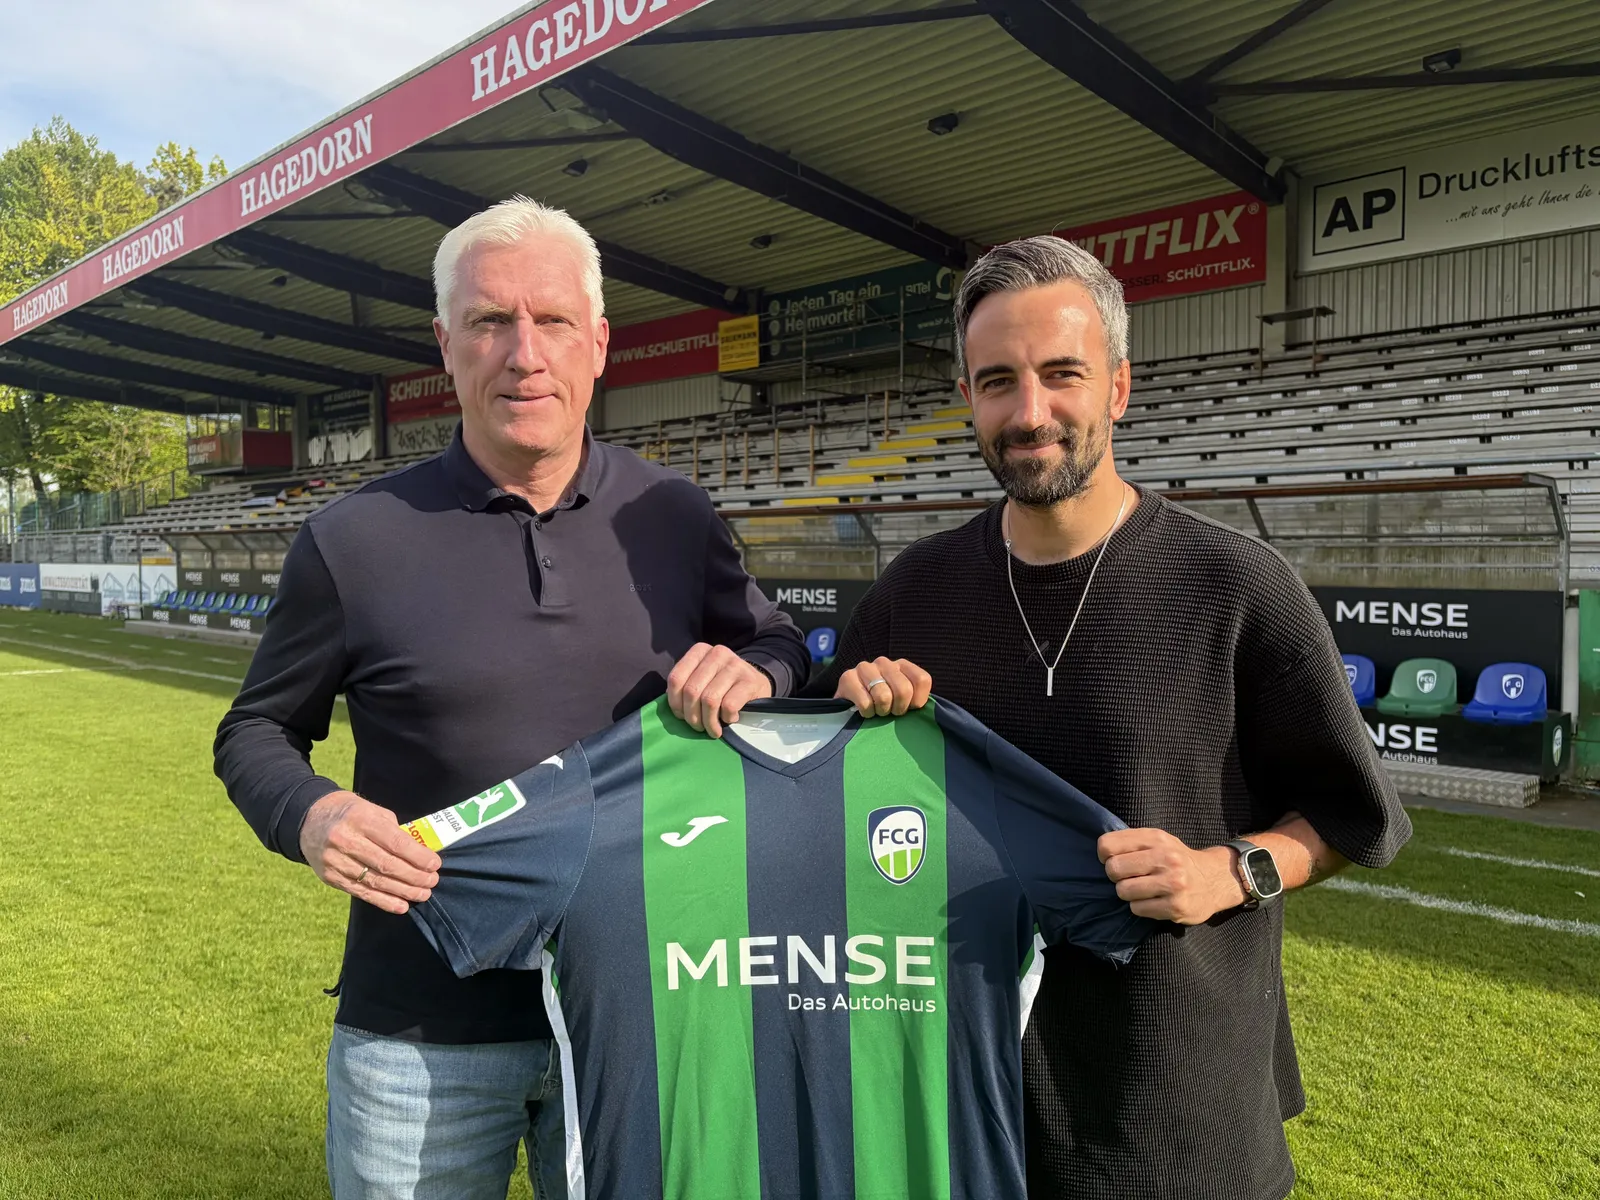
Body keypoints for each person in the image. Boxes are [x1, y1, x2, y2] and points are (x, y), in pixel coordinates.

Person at [214, 195, 808, 1200]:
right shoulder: (355, 539)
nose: (524, 355)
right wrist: (311, 814)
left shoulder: (672, 514)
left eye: (553, 320)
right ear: (445, 347)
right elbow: (257, 729)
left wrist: (762, 672)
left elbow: (779, 642)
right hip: (418, 1034)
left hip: (643, 1014)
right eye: (490, 321)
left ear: (599, 344)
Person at [814, 235, 1411, 1200]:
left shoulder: (1236, 586)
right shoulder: (912, 593)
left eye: (1063, 374)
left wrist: (1229, 870)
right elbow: (818, 799)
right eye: (998, 381)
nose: (1030, 412)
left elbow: (1354, 816)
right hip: (961, 1102)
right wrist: (854, 718)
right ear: (968, 398)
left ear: (1119, 387)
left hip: (1177, 1112)